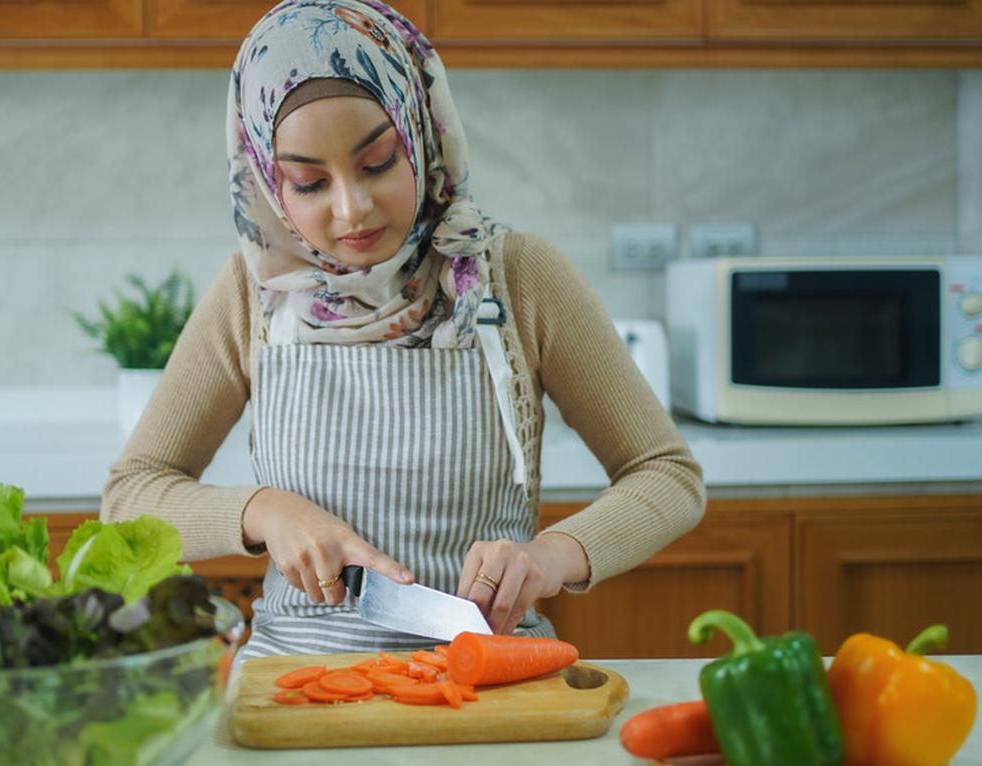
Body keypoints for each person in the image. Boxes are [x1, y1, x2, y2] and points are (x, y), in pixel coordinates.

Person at [101, 0, 705, 666]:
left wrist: (551, 557)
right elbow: (132, 495)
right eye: (308, 182)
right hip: (296, 683)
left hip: (489, 673)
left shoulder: (517, 277)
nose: (350, 209)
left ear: (422, 131)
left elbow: (666, 475)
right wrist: (261, 512)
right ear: (271, 185)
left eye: (378, 163)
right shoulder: (253, 294)